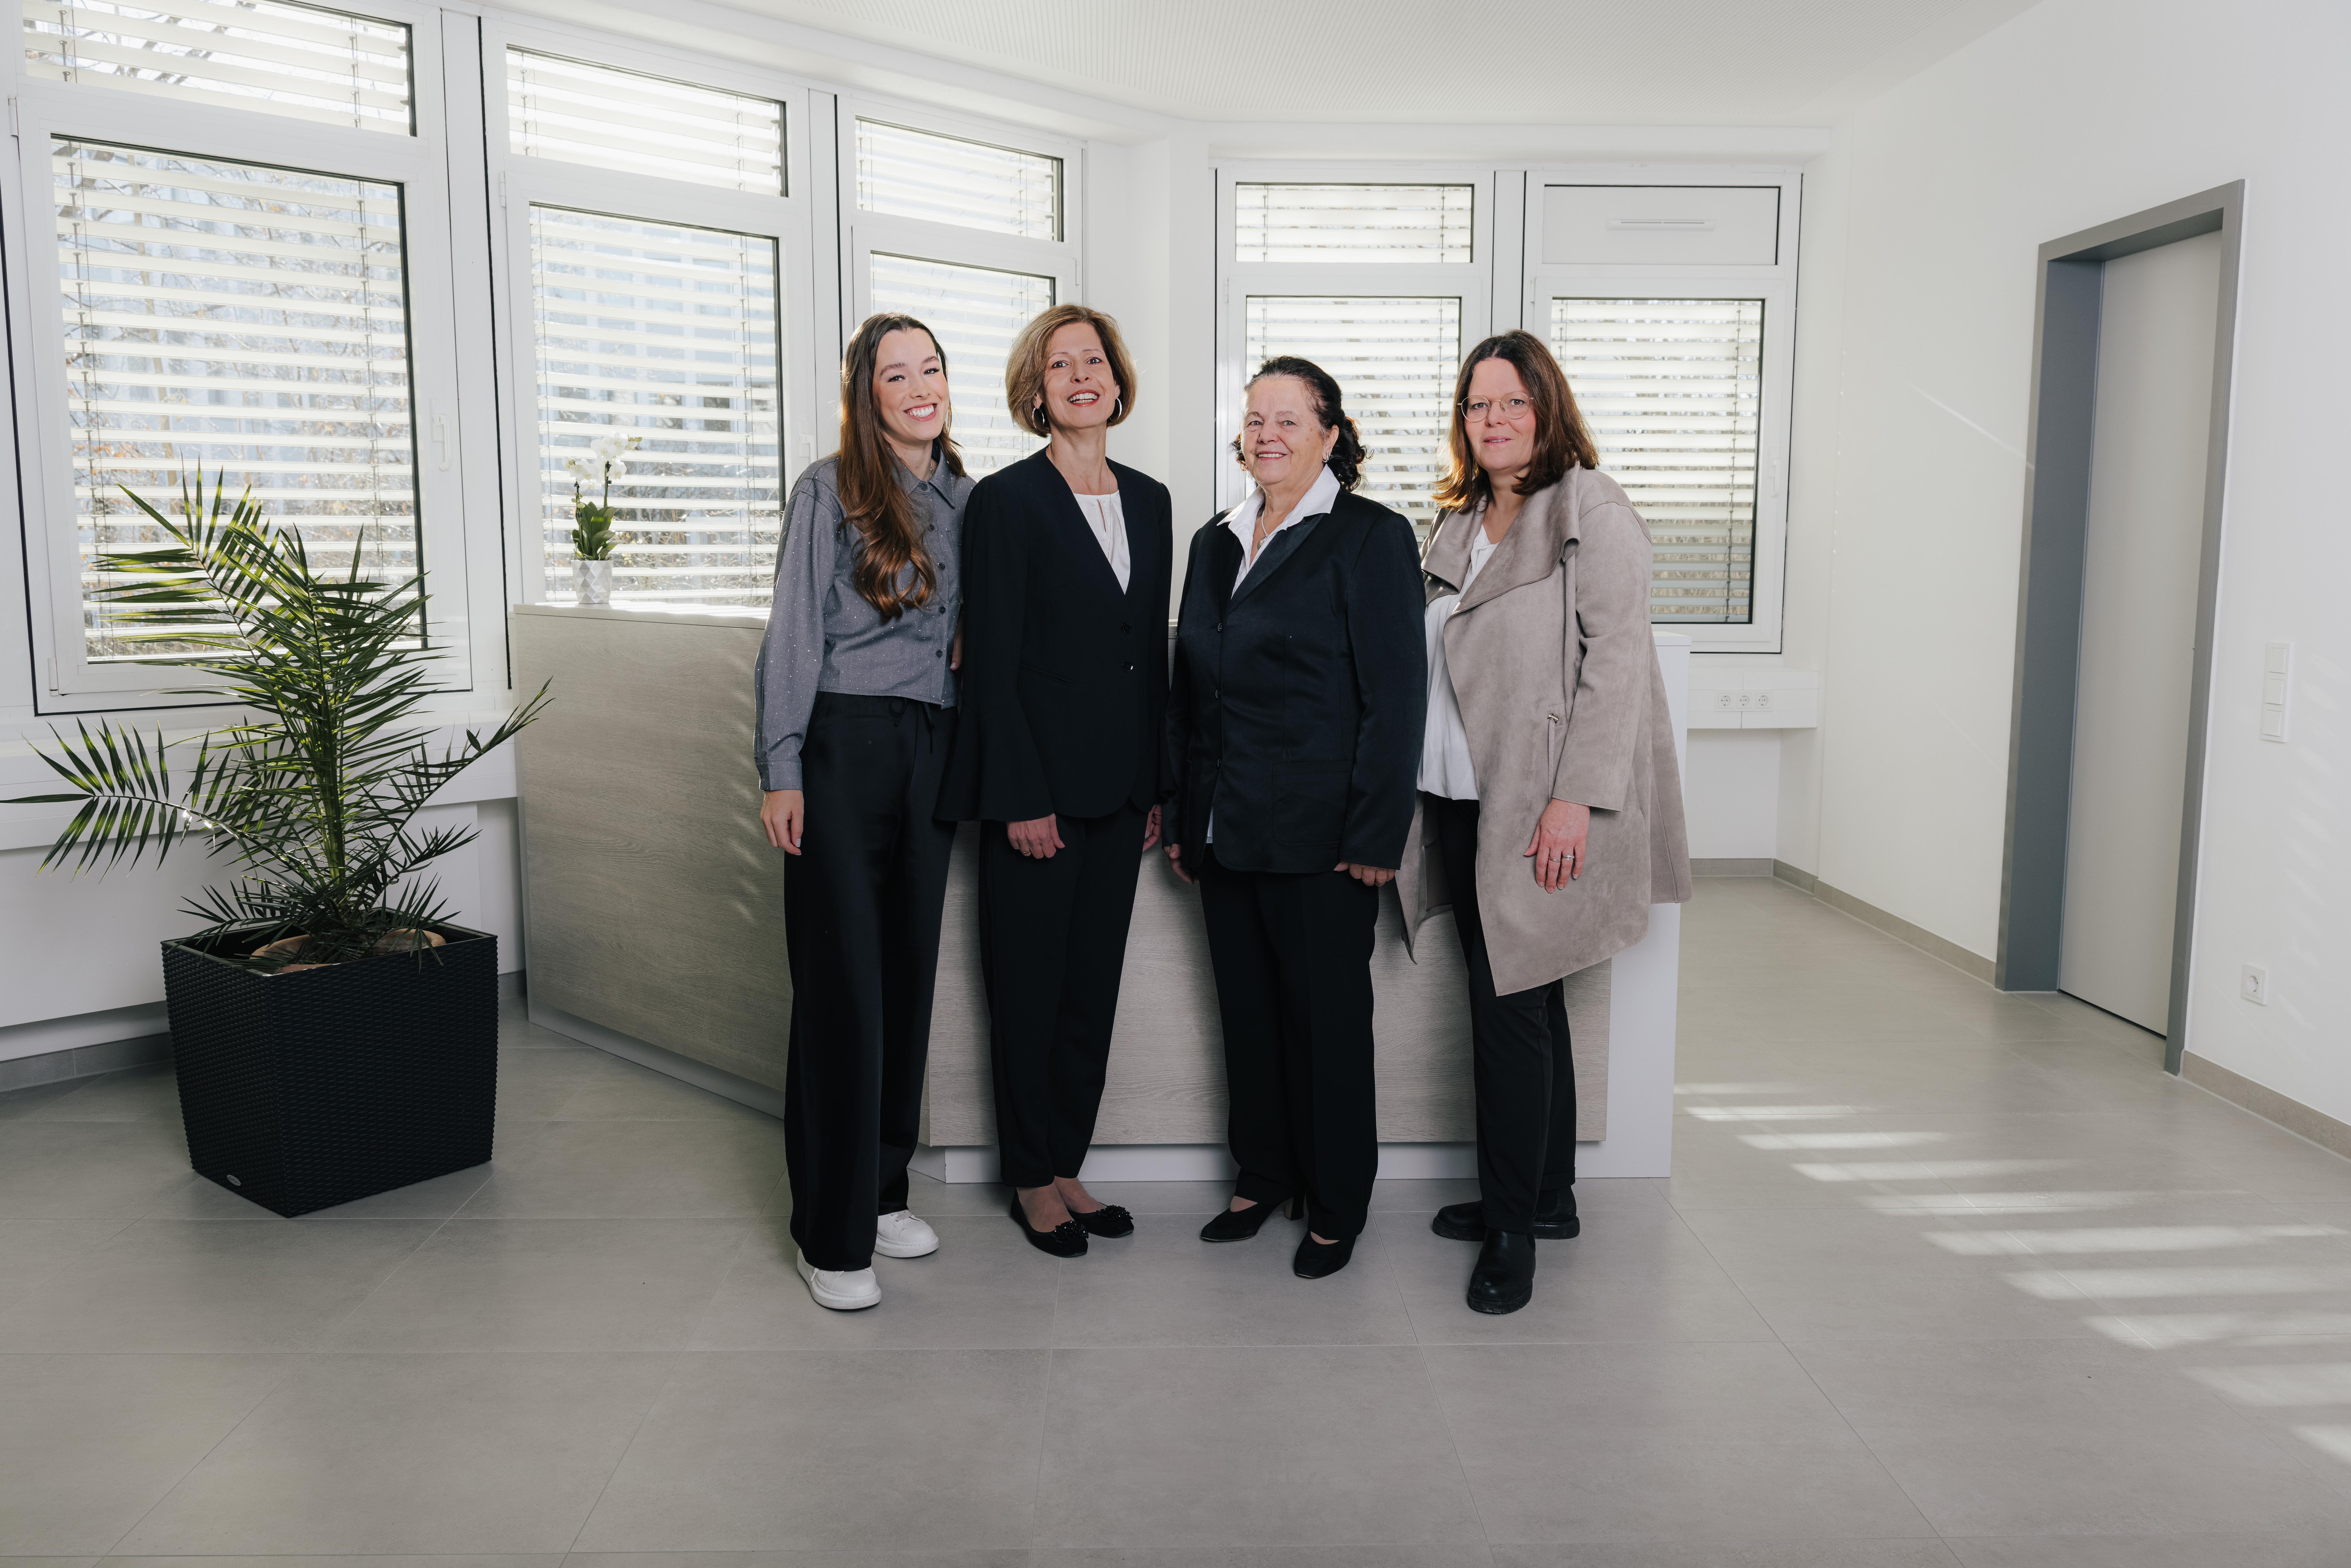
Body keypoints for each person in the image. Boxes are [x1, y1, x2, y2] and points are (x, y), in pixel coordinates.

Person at [1396, 329, 1692, 1315]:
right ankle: (1551, 1195)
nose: (1493, 421)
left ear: (1546, 409)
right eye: (1477, 405)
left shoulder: (1587, 507)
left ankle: (1511, 1228)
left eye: (1512, 403)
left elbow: (1614, 663)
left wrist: (1576, 799)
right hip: (1458, 797)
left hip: (1535, 803)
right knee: (1529, 1000)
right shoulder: (1459, 521)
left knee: (1507, 1013)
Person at [1161, 357, 1425, 1280]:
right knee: (1249, 1016)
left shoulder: (1369, 537)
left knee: (1326, 1025)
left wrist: (1374, 835)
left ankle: (1337, 1200)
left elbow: (1396, 699)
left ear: (1329, 434)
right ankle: (1262, 1174)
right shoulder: (1214, 540)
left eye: (1287, 420)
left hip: (1325, 840)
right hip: (1227, 833)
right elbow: (1191, 693)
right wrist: (1189, 818)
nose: (1265, 435)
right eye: (1253, 420)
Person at [936, 305, 1173, 1258]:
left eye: (1095, 360)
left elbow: (1147, 658)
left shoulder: (1152, 500)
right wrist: (1020, 796)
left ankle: (1067, 1161)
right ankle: (1029, 1178)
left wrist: (1156, 784)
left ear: (1117, 380)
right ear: (1035, 391)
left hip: (1121, 795)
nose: (1081, 375)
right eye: (1059, 363)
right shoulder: (1006, 501)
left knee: (1090, 991)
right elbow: (990, 663)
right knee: (1027, 991)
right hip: (1036, 797)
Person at [755, 313, 971, 1312]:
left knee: (903, 985)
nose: (920, 385)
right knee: (843, 989)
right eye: (897, 374)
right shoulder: (829, 487)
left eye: (930, 368)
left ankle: (882, 1191)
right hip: (842, 746)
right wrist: (783, 765)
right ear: (867, 392)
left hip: (932, 750)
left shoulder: (967, 498)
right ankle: (830, 1233)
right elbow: (794, 629)